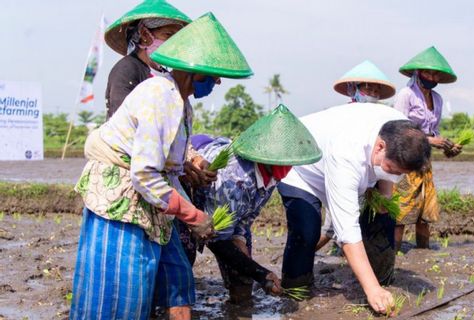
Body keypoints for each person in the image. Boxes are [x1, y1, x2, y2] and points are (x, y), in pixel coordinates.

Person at [70, 12, 253, 320]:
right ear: (190, 70)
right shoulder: (159, 95)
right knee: (121, 295)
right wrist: (192, 214)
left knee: (179, 278)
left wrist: (188, 191)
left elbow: (168, 170)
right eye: (212, 73)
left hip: (152, 201)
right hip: (122, 201)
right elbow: (144, 174)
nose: (217, 81)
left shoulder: (182, 103)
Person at [277, 103, 431, 314]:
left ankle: (380, 277)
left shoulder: (402, 129)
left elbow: (390, 173)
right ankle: (294, 289)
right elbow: (347, 231)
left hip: (351, 164)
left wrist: (385, 195)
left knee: (384, 215)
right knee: (306, 230)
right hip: (301, 166)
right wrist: (372, 290)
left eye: (400, 173)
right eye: (392, 170)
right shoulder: (346, 154)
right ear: (379, 147)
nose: (395, 176)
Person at [179, 104, 322, 303]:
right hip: (188, 185)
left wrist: (240, 240)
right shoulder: (234, 180)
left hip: (226, 213)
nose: (288, 166)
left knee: (243, 281)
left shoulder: (271, 175)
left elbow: (246, 216)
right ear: (268, 156)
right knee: (181, 264)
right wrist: (261, 273)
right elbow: (215, 238)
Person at [104, 0, 215, 188]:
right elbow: (130, 129)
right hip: (126, 170)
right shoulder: (127, 69)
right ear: (145, 35)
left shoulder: (164, 78)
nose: (173, 43)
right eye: (168, 35)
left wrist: (190, 159)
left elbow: (170, 131)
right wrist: (174, 166)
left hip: (153, 170)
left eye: (177, 38)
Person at [316, 60, 399, 253]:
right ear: (354, 89)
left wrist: (385, 195)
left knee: (364, 225)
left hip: (372, 182)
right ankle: (303, 259)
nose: (372, 92)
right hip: (345, 177)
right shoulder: (342, 116)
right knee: (331, 229)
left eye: (376, 90)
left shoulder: (382, 118)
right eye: (367, 88)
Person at [393, 46, 461, 251]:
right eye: (427, 72)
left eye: (435, 74)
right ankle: (392, 256)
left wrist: (448, 145)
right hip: (405, 159)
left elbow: (434, 131)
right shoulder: (406, 94)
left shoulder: (437, 99)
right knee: (401, 212)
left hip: (424, 161)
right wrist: (431, 141)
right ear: (417, 73)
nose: (431, 76)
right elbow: (398, 128)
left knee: (425, 212)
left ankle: (424, 253)